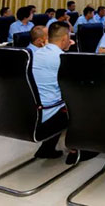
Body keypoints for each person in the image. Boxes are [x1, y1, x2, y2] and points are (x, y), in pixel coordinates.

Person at [31, 22, 76, 161]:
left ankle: (47, 148)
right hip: (46, 116)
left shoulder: (35, 54)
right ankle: (75, 149)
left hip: (27, 113)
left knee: (54, 98)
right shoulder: (61, 59)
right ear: (65, 38)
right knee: (82, 103)